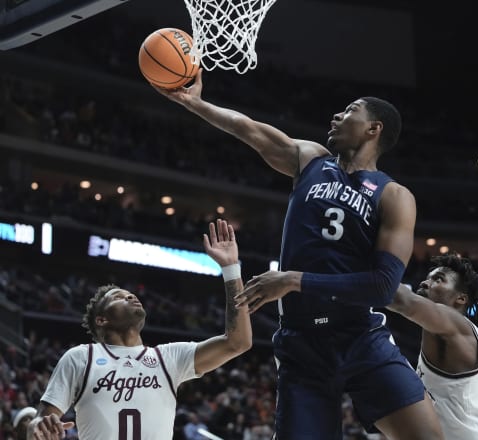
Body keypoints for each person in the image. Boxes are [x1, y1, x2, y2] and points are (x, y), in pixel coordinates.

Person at [158, 74, 444, 439]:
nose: (336, 117)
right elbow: (248, 129)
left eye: (349, 111)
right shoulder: (310, 159)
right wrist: (195, 103)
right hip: (302, 347)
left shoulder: (394, 196)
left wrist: (293, 280)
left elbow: (383, 287)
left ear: (374, 128)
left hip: (360, 337)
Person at [27, 219, 251, 440]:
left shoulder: (168, 357)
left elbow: (238, 342)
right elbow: (39, 421)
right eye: (118, 297)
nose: (131, 296)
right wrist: (39, 426)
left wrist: (231, 269)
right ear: (101, 320)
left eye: (130, 294)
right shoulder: (81, 358)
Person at [387, 253, 478, 439]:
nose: (424, 283)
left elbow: (402, 300)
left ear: (460, 298)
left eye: (438, 279)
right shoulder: (441, 334)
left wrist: (354, 264)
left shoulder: (458, 326)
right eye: (427, 278)